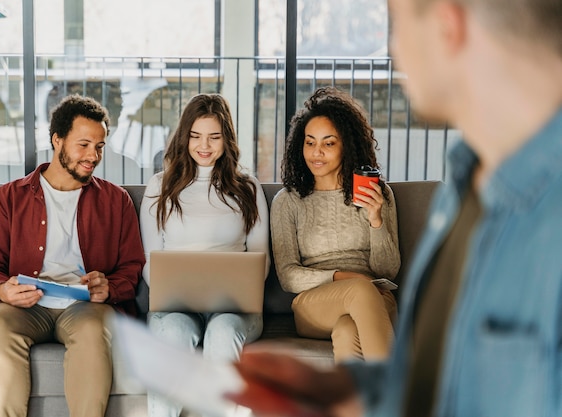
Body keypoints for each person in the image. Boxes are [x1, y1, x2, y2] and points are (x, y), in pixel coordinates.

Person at [229, 0, 562, 416]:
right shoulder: (460, 194)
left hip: (370, 293)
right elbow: (445, 380)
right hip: (322, 298)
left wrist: (374, 220)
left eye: (395, 25)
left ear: (447, 23)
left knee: (354, 320)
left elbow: (387, 270)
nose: (394, 51)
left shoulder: (539, 208)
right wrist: (345, 395)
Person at [0, 95, 146, 417]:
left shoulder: (115, 200)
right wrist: (1, 289)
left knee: (94, 331)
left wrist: (110, 287)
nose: (93, 156)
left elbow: (132, 265)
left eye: (100, 147)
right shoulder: (10, 197)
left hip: (86, 309)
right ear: (57, 139)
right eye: (83, 145)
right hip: (28, 307)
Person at [140, 93, 270, 417]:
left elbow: (261, 261)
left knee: (222, 333)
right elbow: (149, 262)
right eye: (196, 136)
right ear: (184, 138)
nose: (205, 146)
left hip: (235, 310)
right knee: (172, 333)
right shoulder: (160, 187)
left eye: (214, 137)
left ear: (227, 139)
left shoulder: (247, 188)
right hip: (174, 309)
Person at [270, 86, 399, 363]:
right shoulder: (288, 201)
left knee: (347, 331)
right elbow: (288, 275)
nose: (316, 152)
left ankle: (355, 406)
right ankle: (397, 398)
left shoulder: (377, 194)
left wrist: (376, 219)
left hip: (374, 299)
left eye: (328, 143)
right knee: (360, 290)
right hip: (316, 305)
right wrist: (345, 277)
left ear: (347, 146)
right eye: (309, 142)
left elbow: (388, 270)